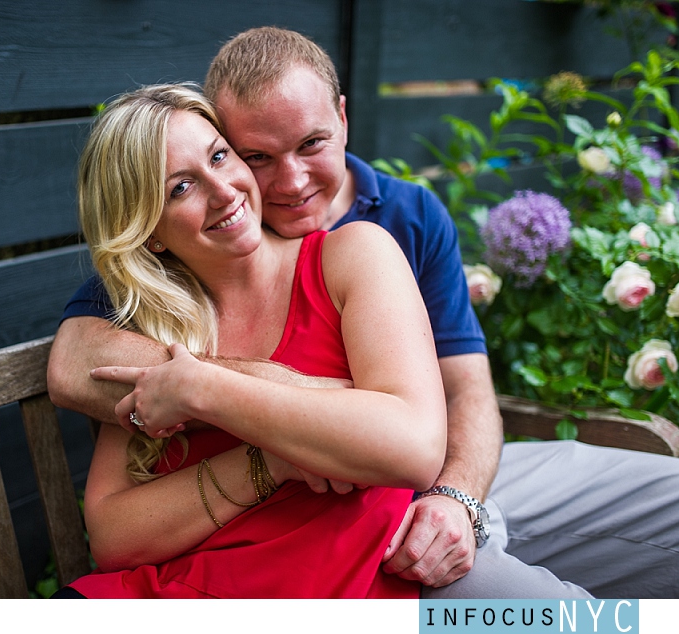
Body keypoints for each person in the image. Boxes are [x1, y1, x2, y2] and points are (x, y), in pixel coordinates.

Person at [49, 27, 679, 598]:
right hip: (262, 553)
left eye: (310, 144)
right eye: (258, 156)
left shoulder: (396, 224)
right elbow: (77, 364)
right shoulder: (162, 292)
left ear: (343, 120)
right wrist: (299, 435)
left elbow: (456, 400)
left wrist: (454, 499)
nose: (289, 181)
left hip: (426, 492)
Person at [52, 83, 446, 598]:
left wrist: (205, 390)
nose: (224, 191)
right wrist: (272, 461)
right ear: (148, 231)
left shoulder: (351, 257)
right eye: (180, 188)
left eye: (219, 156)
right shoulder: (154, 326)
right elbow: (112, 538)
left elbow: (412, 449)